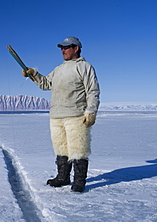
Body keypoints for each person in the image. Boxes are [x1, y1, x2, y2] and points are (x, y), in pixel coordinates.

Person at [22, 36, 100, 192]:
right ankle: (63, 177)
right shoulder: (58, 69)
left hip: (76, 115)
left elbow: (93, 91)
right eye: (61, 48)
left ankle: (79, 181)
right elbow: (45, 84)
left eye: (66, 47)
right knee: (61, 148)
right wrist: (33, 74)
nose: (63, 50)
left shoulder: (85, 67)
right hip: (56, 116)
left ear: (76, 48)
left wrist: (91, 111)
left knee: (78, 149)